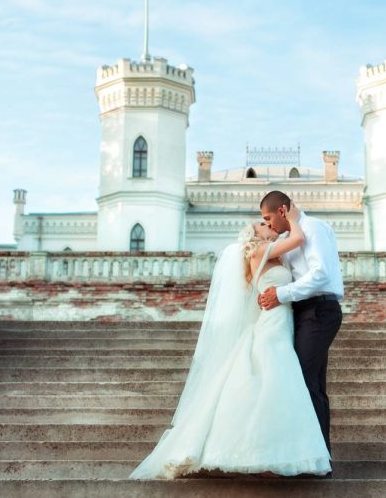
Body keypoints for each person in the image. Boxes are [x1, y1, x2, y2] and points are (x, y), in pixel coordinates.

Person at [129, 203, 331, 479]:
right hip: (272, 325)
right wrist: (293, 217)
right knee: (276, 379)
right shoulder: (260, 252)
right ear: (254, 236)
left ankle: (273, 447)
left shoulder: (276, 256)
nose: (268, 225)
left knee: (279, 384)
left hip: (283, 321)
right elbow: (298, 239)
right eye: (262, 224)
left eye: (267, 220)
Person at [258, 191, 344, 456]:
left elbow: (320, 275)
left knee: (302, 381)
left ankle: (313, 455)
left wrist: (281, 294)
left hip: (320, 310)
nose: (268, 224)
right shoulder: (289, 237)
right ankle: (319, 456)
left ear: (282, 211)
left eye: (268, 217)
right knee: (313, 384)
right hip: (304, 312)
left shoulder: (313, 227)